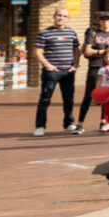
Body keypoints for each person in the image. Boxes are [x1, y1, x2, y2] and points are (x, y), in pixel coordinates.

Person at [30, 7, 81, 136]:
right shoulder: (44, 33)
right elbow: (37, 52)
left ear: (67, 18)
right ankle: (40, 126)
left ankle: (68, 124)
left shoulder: (71, 32)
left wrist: (75, 64)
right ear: (54, 16)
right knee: (45, 99)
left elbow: (76, 49)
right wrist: (47, 65)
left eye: (64, 16)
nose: (61, 18)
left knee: (69, 99)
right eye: (59, 15)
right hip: (51, 72)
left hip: (68, 72)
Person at [73, 10, 109, 132]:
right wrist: (107, 52)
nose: (105, 22)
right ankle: (80, 123)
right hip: (95, 67)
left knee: (106, 95)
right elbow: (87, 50)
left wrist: (97, 52)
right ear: (99, 21)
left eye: (108, 20)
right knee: (88, 95)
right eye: (103, 20)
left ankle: (103, 121)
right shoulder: (93, 32)